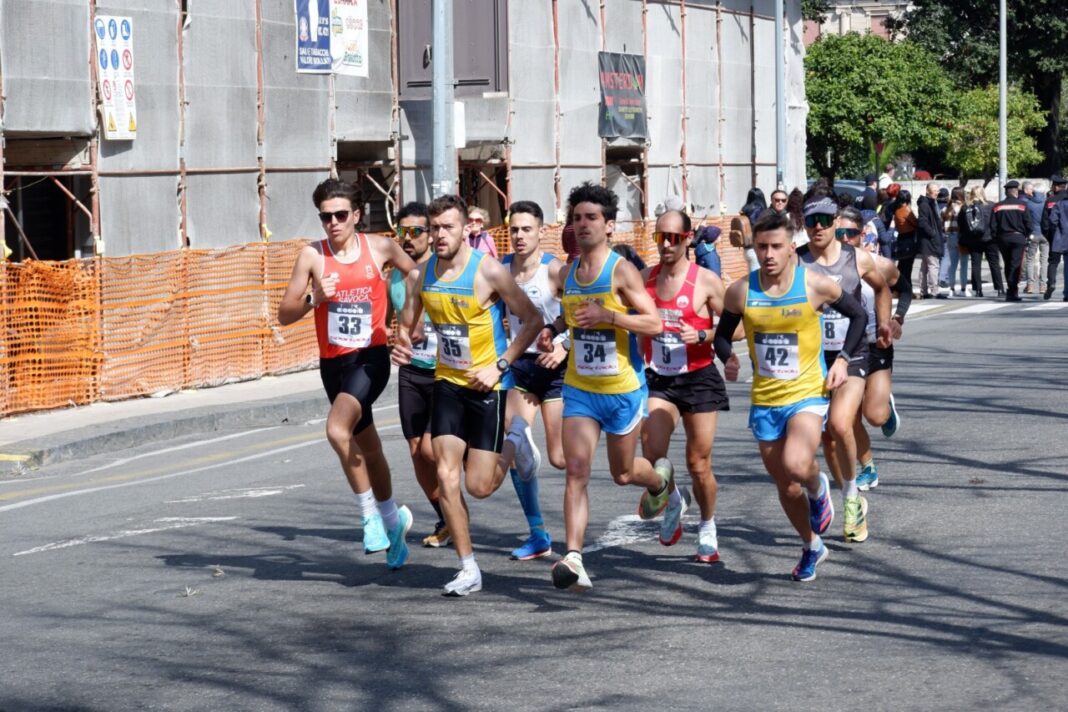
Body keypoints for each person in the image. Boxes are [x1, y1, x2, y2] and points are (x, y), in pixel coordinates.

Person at [392, 194, 544, 596]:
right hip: (448, 383)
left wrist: (501, 364)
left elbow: (532, 319)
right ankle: (468, 567)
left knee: (480, 486)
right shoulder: (420, 276)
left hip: (489, 386)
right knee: (446, 476)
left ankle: (517, 441)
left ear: (465, 231)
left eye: (448, 228)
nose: (440, 235)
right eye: (434, 228)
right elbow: (408, 324)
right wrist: (403, 341)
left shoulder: (489, 271)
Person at [712, 211, 868, 581]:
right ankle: (812, 545)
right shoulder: (741, 290)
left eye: (776, 246)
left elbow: (858, 316)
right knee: (785, 483)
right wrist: (728, 358)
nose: (768, 254)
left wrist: (843, 360)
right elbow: (721, 334)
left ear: (790, 248)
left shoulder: (814, 284)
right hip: (765, 400)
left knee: (799, 465)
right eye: (762, 246)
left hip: (807, 394)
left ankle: (820, 488)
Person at [278, 178, 418, 569]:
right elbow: (283, 314)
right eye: (326, 217)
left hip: (370, 358)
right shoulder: (312, 256)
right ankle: (395, 522)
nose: (333, 223)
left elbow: (418, 276)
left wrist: (407, 323)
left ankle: (369, 516)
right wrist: (313, 299)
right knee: (369, 447)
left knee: (336, 430)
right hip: (333, 364)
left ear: (357, 215)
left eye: (341, 215)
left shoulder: (380, 247)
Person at [537, 182, 666, 592]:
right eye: (576, 218)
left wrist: (611, 317)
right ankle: (573, 557)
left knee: (624, 474)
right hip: (580, 388)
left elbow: (655, 323)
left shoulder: (621, 270)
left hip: (623, 389)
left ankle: (660, 482)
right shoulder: (566, 271)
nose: (582, 225)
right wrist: (552, 330)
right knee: (576, 470)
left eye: (591, 218)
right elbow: (574, 317)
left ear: (609, 225)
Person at [640, 209, 736, 562]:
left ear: (688, 238)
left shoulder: (706, 281)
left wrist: (702, 334)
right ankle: (675, 499)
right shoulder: (644, 279)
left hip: (698, 376)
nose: (665, 244)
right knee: (652, 452)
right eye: (659, 237)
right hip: (659, 378)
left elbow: (735, 328)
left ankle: (708, 525)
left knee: (698, 463)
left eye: (673, 238)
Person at [797, 195, 891, 544]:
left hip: (851, 354)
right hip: (810, 359)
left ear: (836, 221)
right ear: (802, 224)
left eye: (824, 219)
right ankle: (847, 491)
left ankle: (852, 500)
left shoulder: (857, 257)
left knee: (840, 423)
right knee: (826, 439)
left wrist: (883, 323)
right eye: (811, 221)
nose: (818, 226)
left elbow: (882, 286)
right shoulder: (796, 262)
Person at [500, 200, 567, 560]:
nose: (519, 236)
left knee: (558, 458)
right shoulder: (501, 271)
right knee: (516, 449)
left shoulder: (554, 270)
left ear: (541, 230)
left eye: (527, 229)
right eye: (514, 229)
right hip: (520, 367)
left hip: (554, 368)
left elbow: (580, 310)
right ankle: (538, 533)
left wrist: (564, 347)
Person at [386, 202, 451, 548]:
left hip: (444, 371)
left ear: (431, 234)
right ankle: (446, 516)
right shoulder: (393, 274)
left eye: (416, 232)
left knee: (430, 448)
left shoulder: (443, 272)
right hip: (411, 370)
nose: (408, 239)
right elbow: (387, 321)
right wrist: (391, 340)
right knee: (416, 450)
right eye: (402, 232)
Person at [836, 209, 909, 490]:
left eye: (850, 233)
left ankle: (885, 409)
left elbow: (904, 290)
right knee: (848, 416)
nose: (844, 239)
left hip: (875, 344)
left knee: (875, 416)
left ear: (862, 234)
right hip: (845, 350)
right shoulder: (822, 268)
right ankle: (867, 466)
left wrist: (896, 319)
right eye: (838, 233)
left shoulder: (880, 265)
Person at [958, 186, 1003, 298]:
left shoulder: (965, 207)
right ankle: (1000, 289)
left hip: (973, 240)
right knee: (994, 264)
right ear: (983, 193)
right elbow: (995, 222)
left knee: (975, 264)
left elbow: (961, 224)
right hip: (989, 239)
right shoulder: (991, 205)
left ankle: (978, 290)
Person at [991, 180, 1032, 302]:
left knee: (1008, 264)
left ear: (1006, 192)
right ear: (1016, 192)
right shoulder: (1022, 205)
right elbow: (1028, 223)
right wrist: (1028, 235)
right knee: (1016, 265)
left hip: (1003, 238)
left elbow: (993, 225)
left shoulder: (997, 206)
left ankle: (1010, 289)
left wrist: (996, 238)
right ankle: (1013, 290)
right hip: (1018, 237)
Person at [917, 183, 946, 299]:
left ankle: (924, 291)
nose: (937, 192)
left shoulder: (930, 203)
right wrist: (933, 234)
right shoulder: (925, 204)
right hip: (929, 240)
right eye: (934, 190)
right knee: (933, 265)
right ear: (928, 191)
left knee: (925, 266)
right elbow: (922, 222)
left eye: (938, 190)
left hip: (927, 240)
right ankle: (934, 291)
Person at [1042, 175, 1068, 300]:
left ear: (1056, 186)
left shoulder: (1050, 201)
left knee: (1053, 263)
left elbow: (1046, 223)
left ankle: (1051, 283)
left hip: (1056, 237)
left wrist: (1049, 237)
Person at [941, 187, 969, 296]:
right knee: (964, 264)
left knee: (952, 265)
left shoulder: (946, 208)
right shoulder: (963, 207)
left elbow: (942, 221)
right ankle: (963, 289)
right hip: (961, 237)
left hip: (950, 237)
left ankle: (951, 289)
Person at [1022, 181, 1048, 295]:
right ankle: (1043, 285)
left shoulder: (1028, 203)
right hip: (1045, 235)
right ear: (1043, 192)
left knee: (1030, 259)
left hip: (1033, 233)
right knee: (1044, 260)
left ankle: (1030, 285)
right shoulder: (1046, 203)